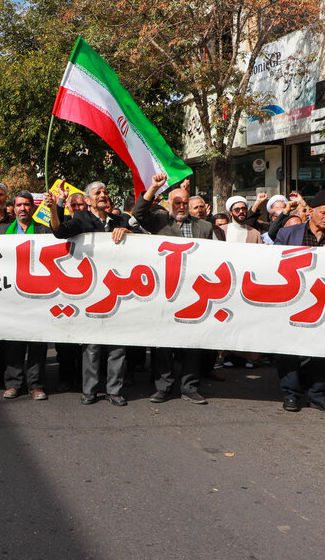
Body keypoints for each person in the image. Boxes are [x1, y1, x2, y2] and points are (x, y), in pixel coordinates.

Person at [133, 173, 213, 405]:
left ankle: (190, 387)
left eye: (184, 203)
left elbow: (215, 259)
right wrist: (153, 188)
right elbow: (138, 214)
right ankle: (164, 386)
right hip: (165, 293)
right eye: (176, 202)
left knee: (191, 343)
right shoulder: (159, 222)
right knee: (164, 343)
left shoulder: (205, 227)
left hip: (194, 293)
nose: (181, 206)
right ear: (168, 203)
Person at [273, 190, 325, 413]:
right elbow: (272, 263)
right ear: (310, 212)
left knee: (324, 351)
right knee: (288, 350)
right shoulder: (288, 235)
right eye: (324, 212)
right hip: (293, 302)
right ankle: (291, 394)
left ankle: (319, 394)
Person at [50, 182, 130, 405]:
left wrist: (128, 232)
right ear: (88, 200)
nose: (103, 195)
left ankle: (114, 390)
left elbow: (141, 239)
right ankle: (90, 390)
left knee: (117, 344)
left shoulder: (119, 220)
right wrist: (57, 204)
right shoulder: (81, 219)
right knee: (92, 346)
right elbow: (59, 232)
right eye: (98, 193)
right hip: (91, 291)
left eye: (105, 192)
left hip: (117, 290)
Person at [0, 191, 52, 400]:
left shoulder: (43, 230)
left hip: (37, 292)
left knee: (37, 341)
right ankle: (13, 384)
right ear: (13, 207)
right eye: (19, 205)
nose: (23, 209)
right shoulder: (2, 231)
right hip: (12, 293)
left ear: (33, 208)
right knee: (14, 341)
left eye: (27, 205)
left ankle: (36, 385)